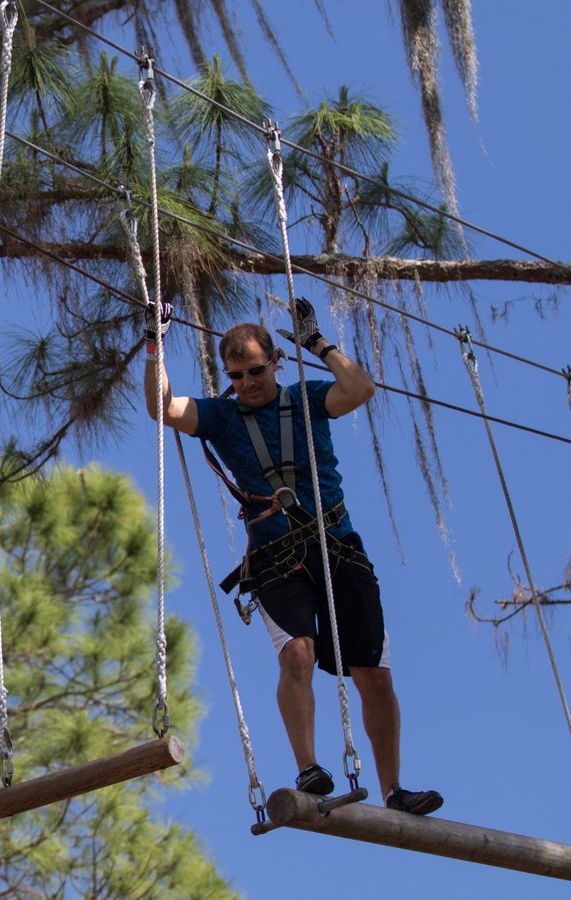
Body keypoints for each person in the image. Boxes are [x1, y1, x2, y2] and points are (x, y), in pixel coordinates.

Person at [144, 297, 443, 815]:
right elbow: (162, 408)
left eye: (256, 371)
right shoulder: (220, 414)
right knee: (297, 654)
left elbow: (361, 389)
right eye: (236, 375)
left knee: (374, 673)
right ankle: (308, 765)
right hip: (277, 556)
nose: (247, 384)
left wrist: (316, 343)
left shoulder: (308, 397)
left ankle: (394, 789)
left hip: (337, 545)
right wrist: (155, 346)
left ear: (275, 364)